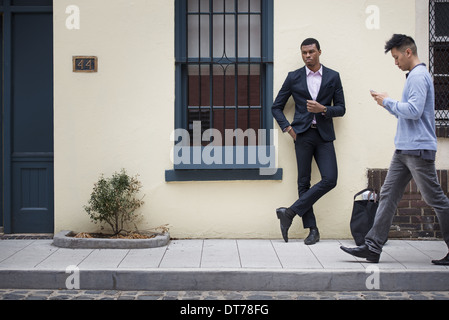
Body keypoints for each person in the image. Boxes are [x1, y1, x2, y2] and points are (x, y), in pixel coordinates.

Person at [340, 34, 449, 265]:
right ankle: (372, 247)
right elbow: (409, 112)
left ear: (408, 52)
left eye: (397, 57)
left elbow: (415, 110)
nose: (395, 62)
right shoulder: (414, 76)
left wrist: (388, 101)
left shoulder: (419, 76)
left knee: (436, 199)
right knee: (388, 195)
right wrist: (386, 103)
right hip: (404, 149)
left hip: (418, 150)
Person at [272, 38, 346, 245]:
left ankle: (290, 212)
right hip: (302, 135)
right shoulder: (293, 77)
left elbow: (341, 108)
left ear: (319, 52)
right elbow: (276, 106)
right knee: (303, 182)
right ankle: (312, 230)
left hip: (324, 136)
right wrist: (288, 129)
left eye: (311, 52)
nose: (307, 56)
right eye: (304, 53)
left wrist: (323, 109)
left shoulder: (333, 76)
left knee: (330, 179)